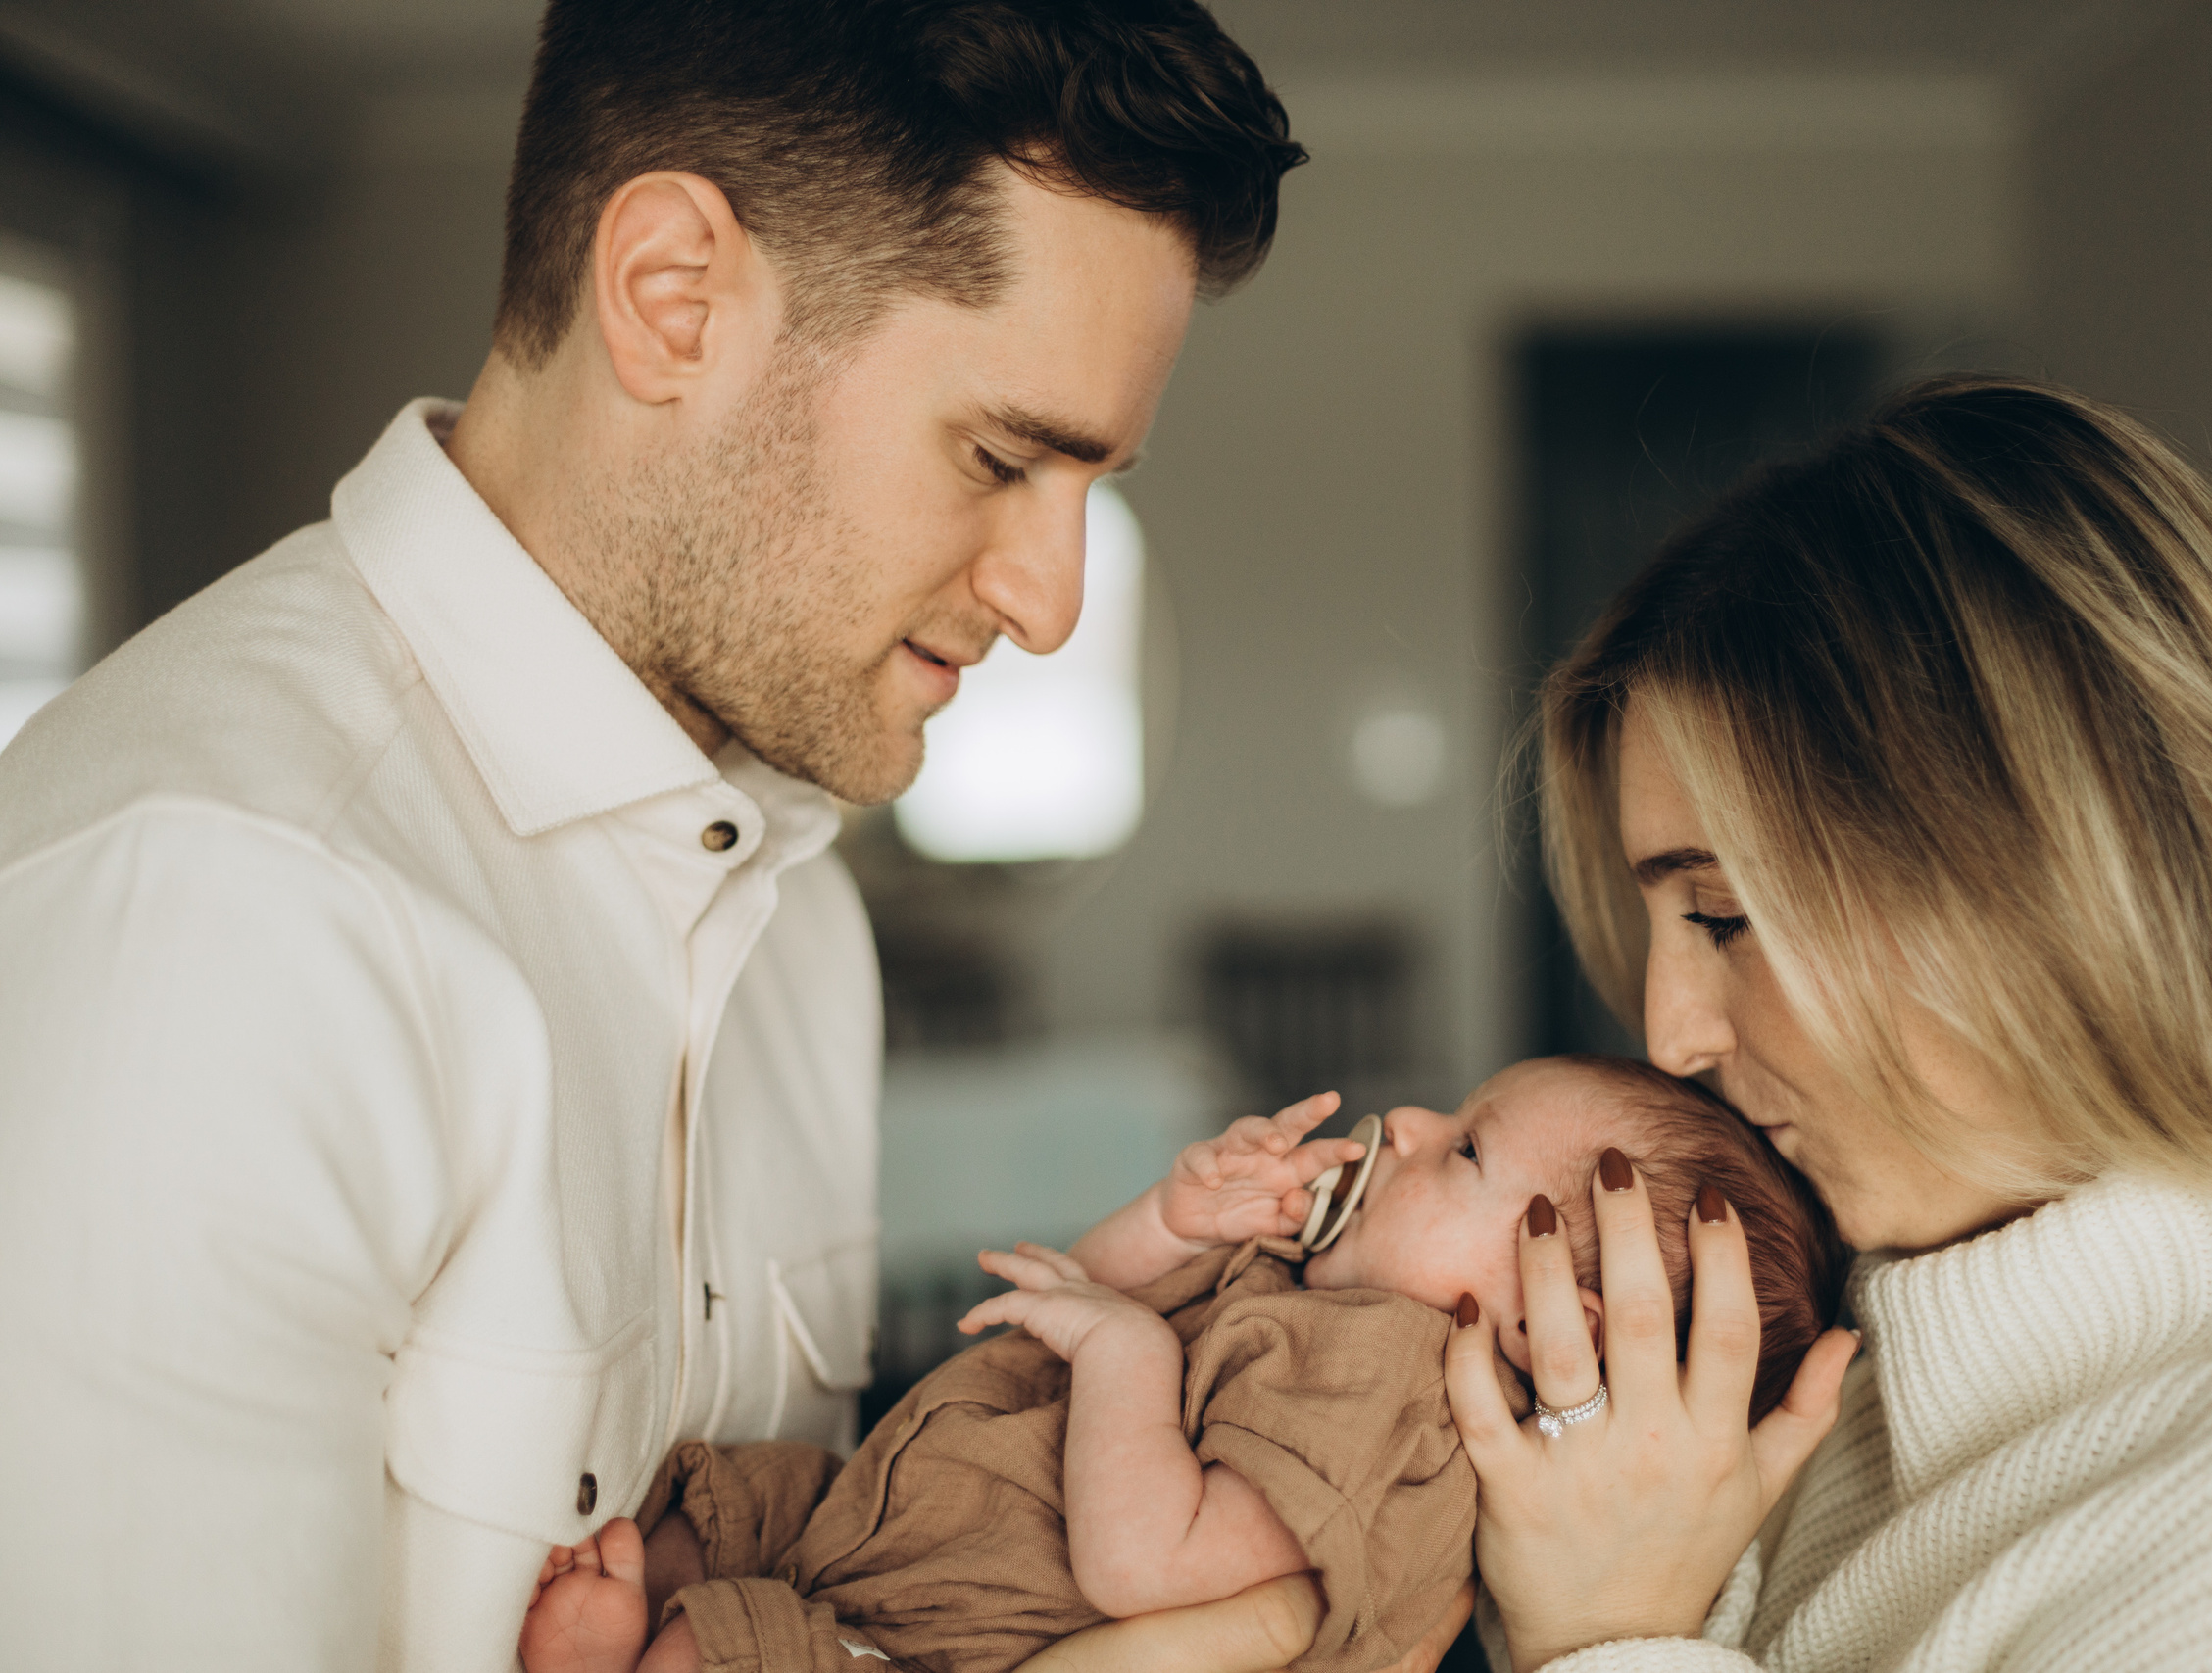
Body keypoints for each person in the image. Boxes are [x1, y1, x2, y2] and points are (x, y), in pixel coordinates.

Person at [0, 3, 1306, 1669]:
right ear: (672, 299)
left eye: (1086, 489)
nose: (1050, 604)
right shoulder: (215, 918)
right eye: (999, 456)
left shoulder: (799, 914)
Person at [1445, 375, 2212, 1671]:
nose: (1671, 1036)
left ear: (2042, 878)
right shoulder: (1811, 1376)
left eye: (1722, 916)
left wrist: (1607, 1644)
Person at [514, 1059, 1841, 1673]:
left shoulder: (1402, 1404)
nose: (1417, 1121)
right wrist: (1172, 1224)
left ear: (1560, 1313)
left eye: (1469, 1153)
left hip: (955, 1633)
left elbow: (1147, 1564)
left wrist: (1133, 1348)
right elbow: (1069, 1296)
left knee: (735, 1647)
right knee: (718, 1511)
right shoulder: (1325, 1294)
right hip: (896, 1511)